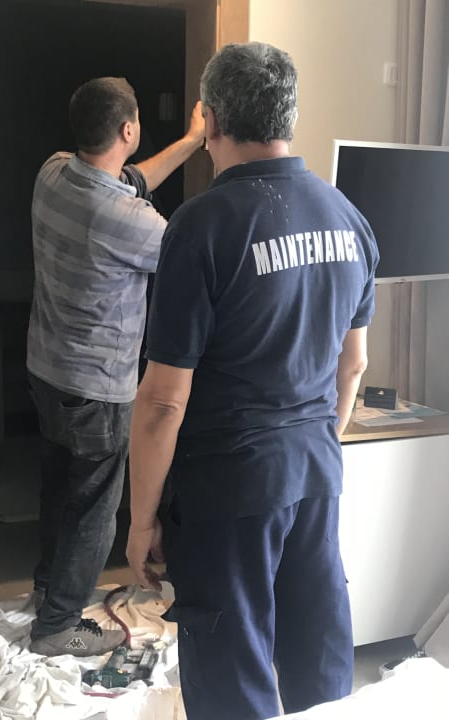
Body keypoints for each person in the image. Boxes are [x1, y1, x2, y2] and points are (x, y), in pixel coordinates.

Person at [126, 42, 379, 720]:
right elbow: (353, 365)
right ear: (287, 115)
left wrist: (141, 521)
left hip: (229, 489)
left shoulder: (200, 227)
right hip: (315, 474)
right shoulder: (348, 218)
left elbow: (161, 401)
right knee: (317, 654)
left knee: (232, 672)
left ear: (211, 120)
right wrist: (315, 441)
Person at [26, 76, 204, 657]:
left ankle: (48, 592)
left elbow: (129, 180)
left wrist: (192, 141)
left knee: (60, 488)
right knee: (95, 510)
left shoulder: (54, 171)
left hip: (46, 370)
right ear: (129, 129)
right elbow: (188, 255)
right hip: (97, 388)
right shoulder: (132, 221)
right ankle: (58, 626)